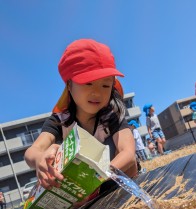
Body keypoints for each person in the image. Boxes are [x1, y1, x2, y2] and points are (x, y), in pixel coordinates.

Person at [25, 39, 137, 199]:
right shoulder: (60, 121)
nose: (97, 92)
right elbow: (32, 151)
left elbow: (128, 153)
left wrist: (96, 180)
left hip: (116, 180)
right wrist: (38, 159)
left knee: (124, 158)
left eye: (105, 86)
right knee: (54, 149)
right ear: (69, 85)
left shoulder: (110, 115)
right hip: (81, 191)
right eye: (88, 83)